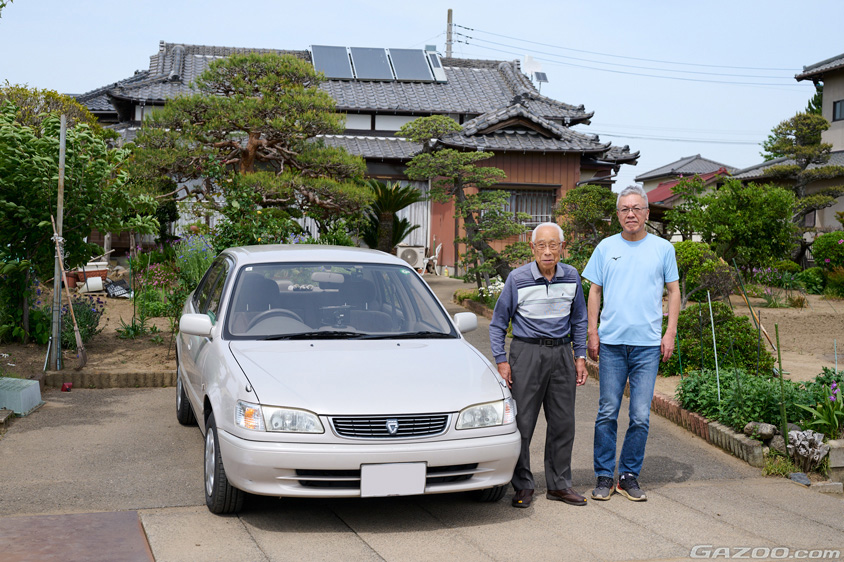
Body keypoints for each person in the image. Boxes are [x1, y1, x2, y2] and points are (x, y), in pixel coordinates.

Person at [581, 185, 680, 502]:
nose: (631, 214)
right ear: (618, 214)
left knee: (640, 415)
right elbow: (594, 291)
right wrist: (592, 332)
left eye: (637, 208)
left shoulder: (663, 249)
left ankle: (628, 475)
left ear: (647, 213)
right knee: (607, 412)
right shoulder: (605, 247)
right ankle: (604, 476)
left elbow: (674, 292)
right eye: (625, 209)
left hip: (647, 347)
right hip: (611, 344)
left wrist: (670, 333)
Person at [489, 222, 588, 508]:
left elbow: (579, 319)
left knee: (563, 423)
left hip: (561, 355)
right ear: (532, 248)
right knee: (523, 423)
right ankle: (522, 485)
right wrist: (502, 360)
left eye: (553, 245)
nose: (547, 251)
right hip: (526, 353)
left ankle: (559, 484)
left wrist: (579, 356)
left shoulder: (571, 277)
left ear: (562, 248)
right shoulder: (517, 279)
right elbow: (498, 323)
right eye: (541, 245)